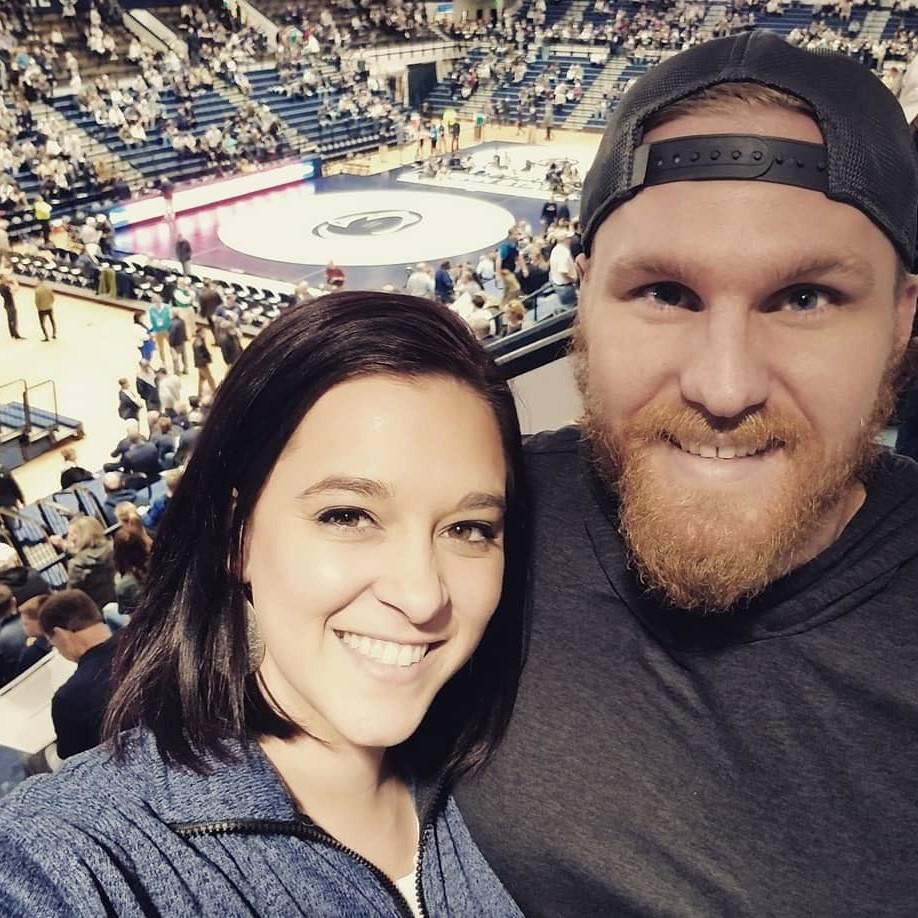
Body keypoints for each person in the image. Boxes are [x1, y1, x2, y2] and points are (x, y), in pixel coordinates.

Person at [456, 31, 918, 915]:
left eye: (805, 298)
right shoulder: (470, 525)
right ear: (583, 300)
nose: (724, 386)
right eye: (665, 293)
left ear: (901, 321)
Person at [0, 290, 529, 917]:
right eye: (347, 515)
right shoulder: (72, 857)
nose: (421, 596)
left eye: (470, 528)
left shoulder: (510, 789)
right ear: (237, 538)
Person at [39, 590, 117, 762]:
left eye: (53, 643)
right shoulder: (146, 641)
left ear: (60, 634)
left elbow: (74, 764)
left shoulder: (69, 698)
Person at [58, 516, 116, 609]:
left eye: (71, 535)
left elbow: (73, 596)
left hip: (98, 610)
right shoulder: (114, 548)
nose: (70, 538)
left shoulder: (77, 565)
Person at [192, 327, 216, 398]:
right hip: (202, 364)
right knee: (210, 378)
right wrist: (207, 360)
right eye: (203, 332)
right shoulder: (198, 343)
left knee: (201, 379)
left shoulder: (198, 341)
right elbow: (200, 356)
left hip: (200, 364)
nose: (205, 333)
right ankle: (215, 392)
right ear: (199, 333)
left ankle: (199, 394)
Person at [0, 272, 22, 340]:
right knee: (13, 320)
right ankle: (16, 335)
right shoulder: (5, 287)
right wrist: (15, 282)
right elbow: (15, 291)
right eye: (4, 278)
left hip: (6, 304)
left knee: (10, 320)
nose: (6, 279)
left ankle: (12, 334)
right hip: (10, 305)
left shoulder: (2, 286)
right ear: (2, 279)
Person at [34, 275, 56, 341]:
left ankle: (46, 336)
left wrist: (38, 307)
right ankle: (54, 334)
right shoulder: (49, 288)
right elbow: (53, 298)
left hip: (41, 308)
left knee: (42, 323)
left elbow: (37, 301)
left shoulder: (37, 290)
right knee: (52, 320)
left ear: (38, 280)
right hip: (49, 307)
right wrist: (50, 304)